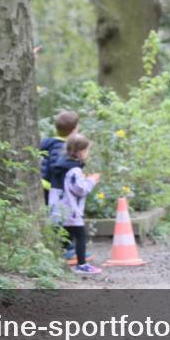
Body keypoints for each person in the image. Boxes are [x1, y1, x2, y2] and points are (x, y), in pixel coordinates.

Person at [50, 133, 102, 276]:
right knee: (80, 236)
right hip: (71, 210)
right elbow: (80, 190)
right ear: (81, 151)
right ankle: (82, 264)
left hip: (58, 209)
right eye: (86, 150)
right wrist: (91, 180)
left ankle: (58, 263)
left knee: (64, 238)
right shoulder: (74, 169)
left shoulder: (60, 165)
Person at [41, 110, 80, 260]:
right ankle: (68, 249)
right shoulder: (60, 146)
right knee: (62, 218)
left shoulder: (51, 142)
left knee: (59, 217)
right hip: (52, 188)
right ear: (75, 129)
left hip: (48, 187)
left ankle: (68, 247)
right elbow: (56, 165)